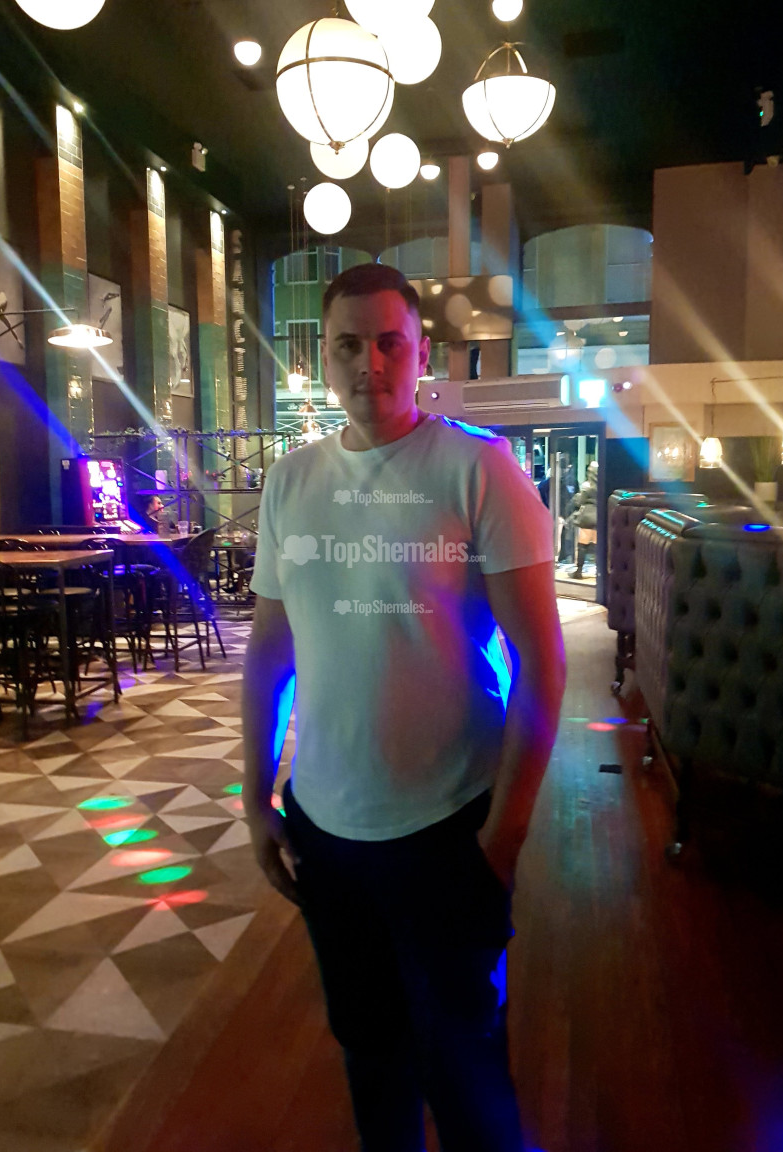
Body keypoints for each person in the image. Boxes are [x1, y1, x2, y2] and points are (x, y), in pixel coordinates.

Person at [243, 263, 566, 1152]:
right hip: (325, 831)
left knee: (466, 1067)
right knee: (370, 1056)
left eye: (390, 342)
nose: (370, 363)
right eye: (348, 344)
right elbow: (269, 651)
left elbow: (543, 663)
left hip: (449, 828)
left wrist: (504, 834)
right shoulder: (290, 482)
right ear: (323, 357)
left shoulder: (478, 470)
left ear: (422, 352)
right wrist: (255, 796)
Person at [567, 460, 599, 578]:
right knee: (597, 544)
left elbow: (580, 501)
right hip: (599, 515)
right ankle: (599, 571)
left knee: (582, 544)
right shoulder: (602, 485)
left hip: (587, 516)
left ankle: (579, 571)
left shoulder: (587, 485)